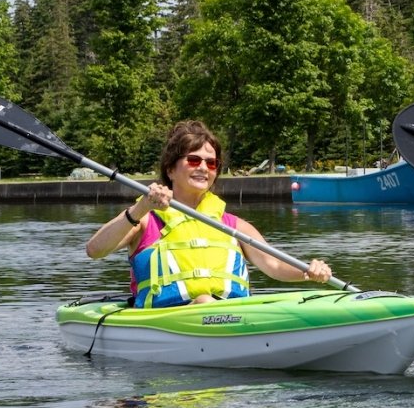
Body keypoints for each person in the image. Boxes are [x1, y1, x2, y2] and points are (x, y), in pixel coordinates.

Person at [86, 120, 331, 306]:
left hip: (230, 314)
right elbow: (95, 250)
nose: (203, 167)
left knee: (207, 301)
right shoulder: (146, 218)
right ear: (170, 169)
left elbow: (273, 265)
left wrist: (307, 272)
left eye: (211, 163)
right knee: (203, 299)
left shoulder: (231, 224)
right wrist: (141, 208)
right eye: (194, 160)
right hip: (167, 321)